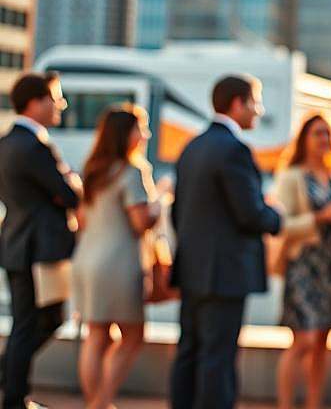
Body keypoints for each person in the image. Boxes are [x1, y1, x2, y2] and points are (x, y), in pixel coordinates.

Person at [169, 74, 283, 409]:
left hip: (192, 268)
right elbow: (249, 214)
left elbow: (179, 213)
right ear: (238, 103)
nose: (259, 111)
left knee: (189, 352)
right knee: (218, 358)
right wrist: (276, 216)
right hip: (225, 272)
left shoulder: (192, 146)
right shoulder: (235, 149)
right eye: (255, 102)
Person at [72, 104, 162, 409]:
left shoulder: (93, 170)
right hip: (119, 263)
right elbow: (140, 223)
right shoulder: (133, 171)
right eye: (142, 127)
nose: (146, 134)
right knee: (133, 336)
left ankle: (95, 402)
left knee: (96, 336)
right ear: (126, 133)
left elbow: (82, 220)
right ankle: (101, 402)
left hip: (86, 260)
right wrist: (158, 206)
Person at [0, 72, 79, 409]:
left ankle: (12, 381)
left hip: (15, 243)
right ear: (35, 102)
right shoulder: (35, 146)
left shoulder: (5, 143)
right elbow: (68, 194)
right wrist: (72, 185)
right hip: (40, 249)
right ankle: (14, 395)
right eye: (55, 97)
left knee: (27, 321)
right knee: (41, 320)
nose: (60, 104)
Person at [273, 111, 331, 409]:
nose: (323, 139)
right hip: (303, 264)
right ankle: (286, 405)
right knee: (303, 340)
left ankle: (314, 404)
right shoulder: (291, 176)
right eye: (317, 133)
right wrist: (321, 216)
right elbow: (281, 224)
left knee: (322, 341)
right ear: (304, 139)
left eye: (327, 133)